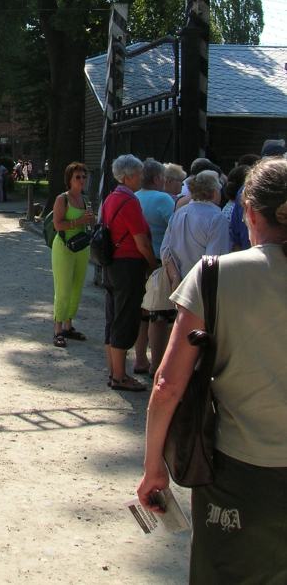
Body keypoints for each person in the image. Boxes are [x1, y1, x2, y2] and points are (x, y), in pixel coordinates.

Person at [137, 157, 287, 584]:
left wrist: (154, 469)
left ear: (250, 213)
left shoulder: (217, 276)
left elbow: (167, 385)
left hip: (241, 474)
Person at [102, 154, 158, 391]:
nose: (140, 177)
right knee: (125, 319)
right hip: (128, 265)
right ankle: (119, 376)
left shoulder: (111, 198)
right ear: (128, 176)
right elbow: (141, 241)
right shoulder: (129, 201)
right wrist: (153, 264)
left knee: (113, 317)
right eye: (137, 174)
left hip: (112, 263)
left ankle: (114, 371)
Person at [136, 159, 176, 375]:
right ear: (158, 178)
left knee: (142, 312)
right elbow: (176, 224)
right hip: (158, 262)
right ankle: (156, 364)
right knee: (158, 313)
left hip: (137, 260)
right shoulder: (163, 199)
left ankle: (140, 358)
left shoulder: (135, 197)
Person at [50, 162, 95, 347]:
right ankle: (58, 329)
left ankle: (69, 325)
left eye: (84, 177)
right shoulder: (63, 199)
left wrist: (92, 220)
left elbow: (89, 224)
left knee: (77, 287)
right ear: (69, 179)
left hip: (81, 248)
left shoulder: (85, 200)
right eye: (78, 177)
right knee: (63, 288)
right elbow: (57, 225)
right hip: (64, 247)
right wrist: (79, 221)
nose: (82, 180)